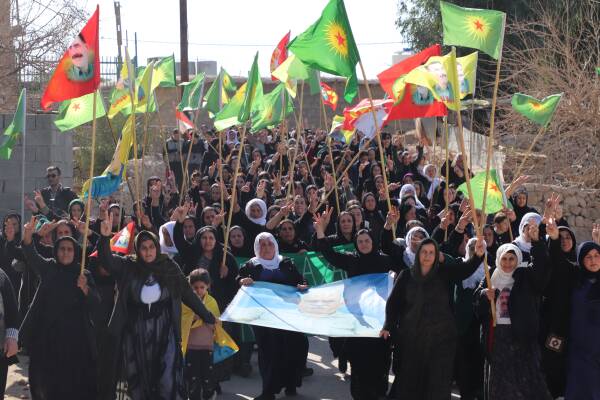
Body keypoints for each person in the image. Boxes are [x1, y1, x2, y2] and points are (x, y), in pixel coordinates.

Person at [96, 211, 216, 400]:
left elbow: (187, 294)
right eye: (143, 248)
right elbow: (107, 261)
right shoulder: (128, 266)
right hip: (136, 330)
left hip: (164, 330)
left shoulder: (169, 266)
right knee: (138, 377)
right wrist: (104, 238)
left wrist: (207, 315)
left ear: (157, 247)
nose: (148, 251)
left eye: (152, 247)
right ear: (138, 249)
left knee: (167, 378)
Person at [381, 235, 485, 400]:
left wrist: (478, 256)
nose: (427, 256)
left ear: (436, 255)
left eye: (431, 252)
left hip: (441, 340)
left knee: (437, 382)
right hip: (412, 338)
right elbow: (393, 303)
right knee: (411, 381)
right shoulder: (406, 276)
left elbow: (464, 270)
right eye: (424, 252)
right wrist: (388, 325)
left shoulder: (444, 273)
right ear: (418, 254)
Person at [315, 207, 398, 400]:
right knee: (359, 362)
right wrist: (320, 230)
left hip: (380, 320)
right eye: (360, 241)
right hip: (357, 319)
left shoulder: (385, 261)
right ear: (356, 244)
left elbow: (397, 259)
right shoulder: (351, 260)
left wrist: (388, 227)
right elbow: (329, 254)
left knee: (380, 361)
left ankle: (378, 393)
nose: (363, 244)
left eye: (367, 240)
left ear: (372, 242)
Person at [20, 215, 100, 399]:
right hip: (48, 339)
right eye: (62, 249)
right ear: (56, 251)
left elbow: (96, 303)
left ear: (75, 252)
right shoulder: (49, 268)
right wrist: (28, 234)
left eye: (69, 249)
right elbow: (31, 254)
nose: (65, 253)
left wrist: (85, 289)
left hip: (76, 341)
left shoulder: (83, 274)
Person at [475, 223, 553, 400]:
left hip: (521, 338)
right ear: (498, 259)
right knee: (500, 387)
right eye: (504, 259)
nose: (508, 263)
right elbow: (477, 307)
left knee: (523, 386)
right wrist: (484, 295)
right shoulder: (490, 276)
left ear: (518, 259)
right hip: (497, 338)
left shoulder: (525, 276)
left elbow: (541, 270)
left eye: (512, 259)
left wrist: (537, 243)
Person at [237, 232, 308, 400]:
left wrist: (302, 285)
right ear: (257, 247)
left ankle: (291, 384)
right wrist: (242, 281)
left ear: (275, 246)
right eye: (262, 245)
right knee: (269, 353)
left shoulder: (286, 263)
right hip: (264, 318)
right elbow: (239, 279)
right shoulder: (250, 266)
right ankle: (268, 391)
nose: (266, 247)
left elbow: (301, 280)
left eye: (269, 244)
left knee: (293, 348)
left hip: (287, 316)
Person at [181, 269, 219, 400]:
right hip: (191, 346)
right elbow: (181, 321)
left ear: (208, 286)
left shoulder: (212, 302)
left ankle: (209, 395)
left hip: (207, 346)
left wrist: (205, 317)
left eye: (202, 287)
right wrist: (192, 318)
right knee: (193, 377)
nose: (198, 290)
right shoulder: (185, 302)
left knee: (207, 376)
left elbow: (217, 324)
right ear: (190, 286)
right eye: (195, 287)